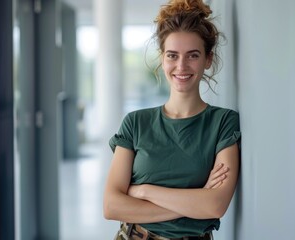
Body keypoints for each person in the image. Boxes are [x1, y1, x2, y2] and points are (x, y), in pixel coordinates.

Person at [103, 0, 241, 239]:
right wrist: (195, 200)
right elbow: (112, 206)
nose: (181, 66)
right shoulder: (135, 123)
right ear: (163, 58)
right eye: (172, 55)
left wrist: (143, 191)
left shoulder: (223, 123)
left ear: (208, 59)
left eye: (193, 55)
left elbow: (215, 206)